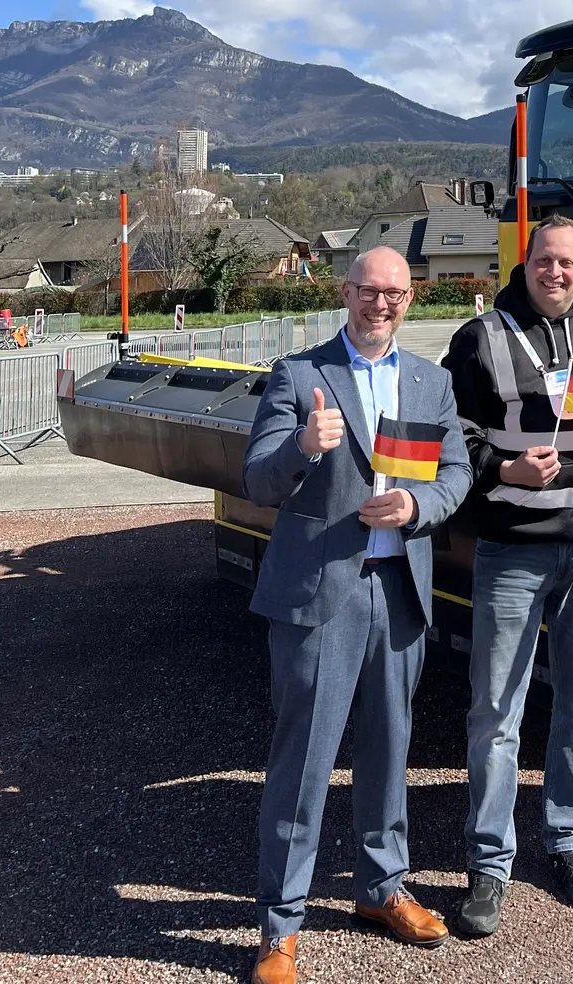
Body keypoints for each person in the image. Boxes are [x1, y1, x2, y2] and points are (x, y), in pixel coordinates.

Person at [242, 246, 472, 984]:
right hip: (320, 596)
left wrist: (417, 504)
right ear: (346, 293)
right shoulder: (299, 375)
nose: (381, 304)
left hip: (399, 590)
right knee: (305, 761)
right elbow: (258, 479)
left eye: (395, 294)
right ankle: (280, 926)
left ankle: (381, 888)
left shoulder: (431, 381)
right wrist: (304, 446)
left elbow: (457, 471)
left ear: (410, 300)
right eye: (369, 290)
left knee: (389, 748)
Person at [442, 214, 573, 935]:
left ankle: (567, 838)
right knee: (496, 712)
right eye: (545, 260)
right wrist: (503, 468)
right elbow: (453, 434)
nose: (557, 272)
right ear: (526, 262)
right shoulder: (481, 336)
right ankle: (489, 862)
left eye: (569, 263)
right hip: (513, 552)